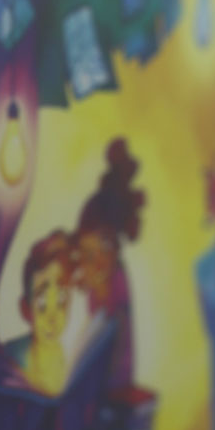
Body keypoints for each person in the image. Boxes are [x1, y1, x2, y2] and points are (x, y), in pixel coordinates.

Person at [74, 139, 145, 389]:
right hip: (104, 283)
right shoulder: (99, 280)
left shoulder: (114, 284)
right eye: (85, 253)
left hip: (111, 387)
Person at [5, 230, 75, 396]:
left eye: (61, 302)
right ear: (26, 309)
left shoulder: (64, 358)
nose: (52, 318)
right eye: (42, 305)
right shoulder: (13, 358)